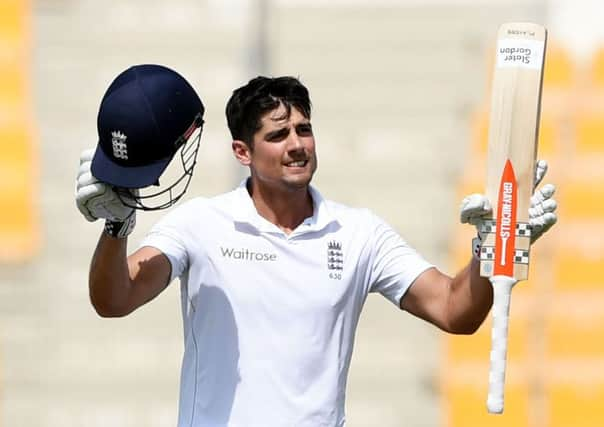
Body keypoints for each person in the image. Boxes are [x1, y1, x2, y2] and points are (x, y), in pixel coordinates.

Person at [76, 71, 558, 427]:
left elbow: (456, 311)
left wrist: (496, 247)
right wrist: (117, 227)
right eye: (277, 135)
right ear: (243, 152)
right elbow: (114, 299)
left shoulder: (358, 232)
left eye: (303, 130)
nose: (296, 145)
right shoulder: (200, 224)